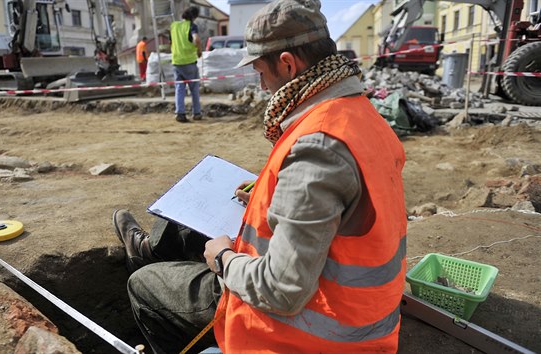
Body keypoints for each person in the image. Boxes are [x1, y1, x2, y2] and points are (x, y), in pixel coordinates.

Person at [118, 0, 407, 352]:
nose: (261, 84)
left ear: (287, 64)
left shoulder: (318, 148)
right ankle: (152, 250)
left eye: (260, 71)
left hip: (312, 331)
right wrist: (264, 193)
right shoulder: (360, 118)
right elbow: (340, 203)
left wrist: (223, 259)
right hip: (352, 312)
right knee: (183, 228)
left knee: (143, 284)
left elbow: (282, 291)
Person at [170, 6, 202, 123]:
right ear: (194, 17)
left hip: (177, 62)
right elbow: (196, 39)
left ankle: (180, 113)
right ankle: (197, 113)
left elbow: (172, 42)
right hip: (189, 62)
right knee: (194, 89)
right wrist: (199, 51)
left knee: (179, 89)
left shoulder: (174, 26)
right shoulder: (191, 26)